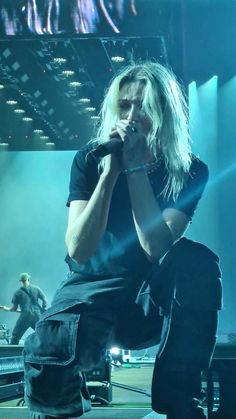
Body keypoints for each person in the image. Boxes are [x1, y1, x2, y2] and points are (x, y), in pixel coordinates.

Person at [23, 61, 222, 419]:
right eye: (125, 105)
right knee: (49, 341)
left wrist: (133, 170)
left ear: (164, 113)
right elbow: (78, 249)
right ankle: (58, 410)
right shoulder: (89, 159)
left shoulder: (189, 170)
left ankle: (181, 400)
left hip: (151, 288)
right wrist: (109, 174)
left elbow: (155, 246)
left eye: (143, 107)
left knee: (198, 261)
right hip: (93, 281)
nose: (131, 116)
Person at [0, 272, 47, 344]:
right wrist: (43, 308)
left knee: (15, 337)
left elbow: (14, 309)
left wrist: (5, 308)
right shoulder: (36, 289)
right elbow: (44, 300)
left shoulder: (17, 293)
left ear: (20, 281)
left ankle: (12, 353)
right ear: (28, 279)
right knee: (43, 336)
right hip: (37, 317)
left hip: (25, 317)